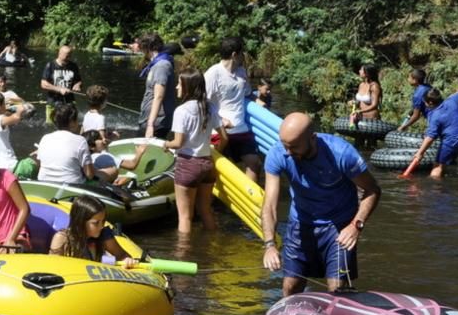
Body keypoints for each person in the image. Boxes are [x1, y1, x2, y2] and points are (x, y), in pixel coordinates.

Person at [261, 112, 381, 297]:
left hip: (339, 227)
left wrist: (356, 225)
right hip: (300, 224)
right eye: (285, 146)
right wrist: (269, 244)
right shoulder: (278, 153)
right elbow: (269, 205)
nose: (288, 152)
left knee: (337, 290)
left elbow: (373, 190)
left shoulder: (341, 154)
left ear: (312, 139)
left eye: (293, 147)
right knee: (290, 287)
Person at [163, 68, 229, 233]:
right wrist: (216, 152)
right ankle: (212, 244)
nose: (177, 87)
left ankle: (183, 255)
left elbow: (178, 143)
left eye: (179, 84)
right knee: (205, 210)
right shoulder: (210, 107)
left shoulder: (181, 111)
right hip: (207, 164)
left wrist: (166, 144)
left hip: (187, 165)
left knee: (185, 216)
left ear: (188, 87)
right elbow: (225, 138)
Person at [205, 36, 260, 181]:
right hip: (220, 131)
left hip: (241, 129)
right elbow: (203, 102)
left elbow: (248, 93)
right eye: (242, 53)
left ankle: (249, 201)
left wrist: (260, 101)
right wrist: (221, 120)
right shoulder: (213, 73)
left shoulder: (241, 72)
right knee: (219, 168)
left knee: (254, 163)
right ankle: (214, 198)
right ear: (235, 55)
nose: (244, 57)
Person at [412, 87, 458, 181]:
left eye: (425, 102)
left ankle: (434, 190)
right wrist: (454, 95)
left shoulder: (435, 116)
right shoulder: (453, 100)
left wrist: (420, 153)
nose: (425, 105)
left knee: (438, 165)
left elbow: (430, 137)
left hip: (451, 140)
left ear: (430, 102)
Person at [49, 196, 136, 264]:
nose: (101, 226)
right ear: (80, 221)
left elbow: (122, 255)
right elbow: (54, 266)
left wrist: (127, 260)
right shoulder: (62, 238)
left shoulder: (104, 235)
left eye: (103, 221)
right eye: (96, 223)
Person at [36, 104, 94, 184]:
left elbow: (40, 164)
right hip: (71, 187)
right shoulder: (80, 140)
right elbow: (89, 175)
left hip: (45, 183)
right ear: (72, 122)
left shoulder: (45, 138)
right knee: (111, 171)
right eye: (77, 119)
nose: (78, 122)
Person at [138, 33, 175, 139]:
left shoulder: (161, 66)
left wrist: (150, 125)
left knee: (146, 154)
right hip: (150, 120)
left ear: (147, 48)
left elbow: (159, 96)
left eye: (142, 49)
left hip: (157, 123)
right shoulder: (156, 64)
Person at [40, 45, 82, 125]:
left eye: (70, 56)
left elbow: (78, 80)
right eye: (67, 56)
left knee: (72, 124)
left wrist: (77, 85)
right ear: (59, 54)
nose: (68, 58)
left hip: (70, 102)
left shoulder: (73, 66)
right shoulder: (50, 65)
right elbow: (43, 84)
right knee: (51, 126)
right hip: (53, 102)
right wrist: (59, 89)